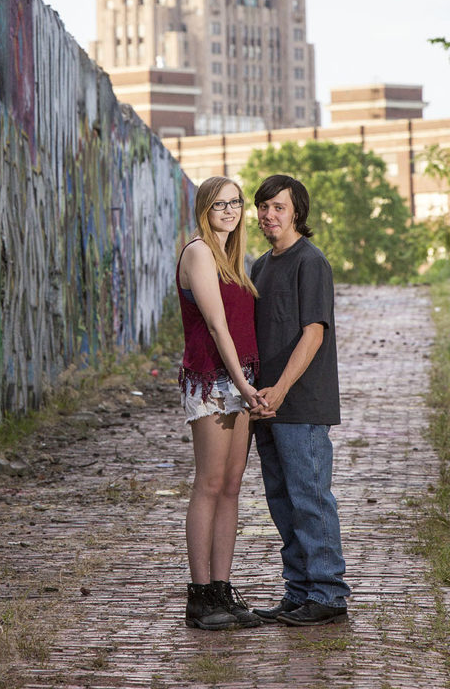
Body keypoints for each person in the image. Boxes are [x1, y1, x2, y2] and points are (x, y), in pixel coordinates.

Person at [249, 173, 351, 627]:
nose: (269, 214)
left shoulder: (312, 262)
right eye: (264, 206)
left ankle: (328, 593)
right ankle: (298, 591)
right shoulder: (259, 265)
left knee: (310, 497)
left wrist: (282, 390)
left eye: (279, 207)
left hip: (300, 403)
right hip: (264, 405)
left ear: (297, 213)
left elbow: (314, 334)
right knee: (281, 501)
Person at [177, 175, 270, 631]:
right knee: (210, 484)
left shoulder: (234, 260)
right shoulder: (198, 252)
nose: (230, 211)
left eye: (235, 203)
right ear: (204, 210)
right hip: (212, 382)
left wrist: (251, 382)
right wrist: (242, 384)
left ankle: (222, 589)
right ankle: (199, 597)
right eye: (220, 205)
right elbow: (216, 327)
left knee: (232, 487)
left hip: (241, 380)